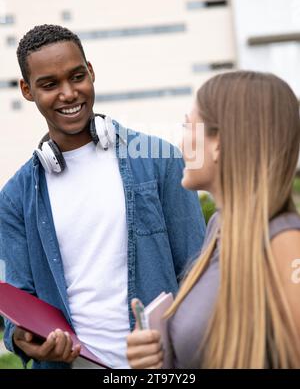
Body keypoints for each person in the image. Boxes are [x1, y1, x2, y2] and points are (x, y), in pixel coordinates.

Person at [0, 24, 206, 369]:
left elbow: (199, 277)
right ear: (27, 89)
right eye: (49, 84)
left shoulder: (159, 159)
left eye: (76, 77)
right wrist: (23, 339)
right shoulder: (14, 199)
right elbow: (17, 304)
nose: (68, 93)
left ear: (91, 72)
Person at [127, 70, 300, 369]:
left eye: (188, 127)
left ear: (218, 142)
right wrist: (158, 358)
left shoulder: (285, 243)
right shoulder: (219, 228)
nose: (181, 145)